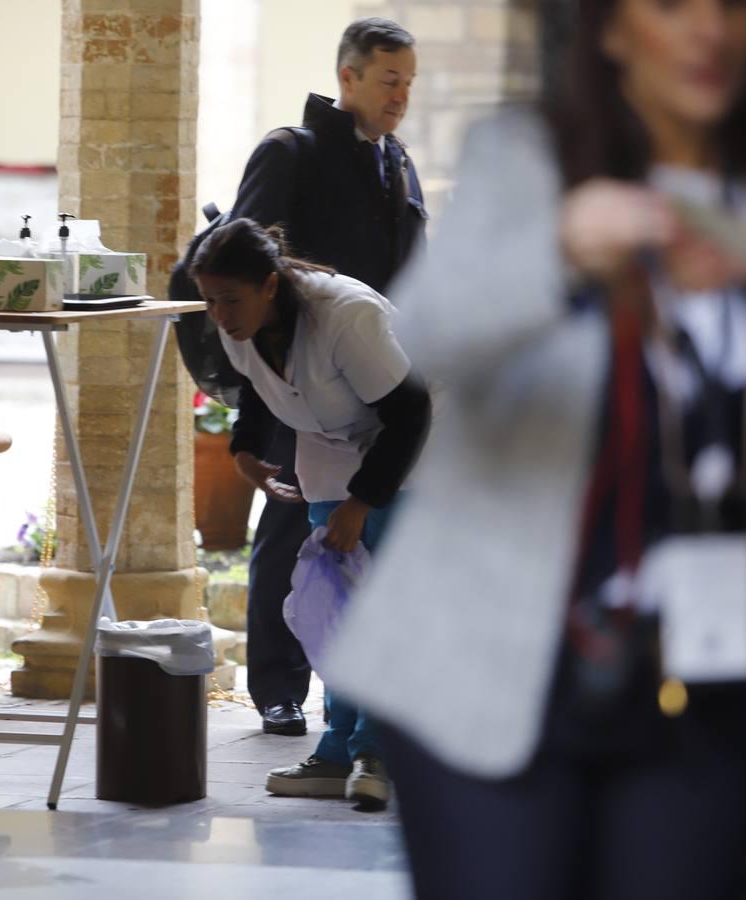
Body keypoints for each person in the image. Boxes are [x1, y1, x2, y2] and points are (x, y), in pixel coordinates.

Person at [322, 0, 746, 897]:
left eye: (735, 7)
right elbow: (433, 335)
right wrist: (558, 250)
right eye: (673, 6)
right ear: (612, 28)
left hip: (705, 672)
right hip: (491, 669)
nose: (711, 29)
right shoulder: (528, 162)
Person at [224, 16, 428, 737]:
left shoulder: (397, 163)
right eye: (388, 79)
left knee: (369, 539)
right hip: (298, 373)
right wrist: (247, 406)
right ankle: (278, 689)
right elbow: (241, 268)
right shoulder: (291, 153)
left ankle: (361, 718)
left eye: (407, 80)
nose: (401, 94)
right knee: (288, 530)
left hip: (378, 380)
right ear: (348, 78)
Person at [190, 218, 431, 810]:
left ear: (270, 285)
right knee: (335, 608)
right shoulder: (237, 321)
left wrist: (361, 503)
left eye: (230, 299)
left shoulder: (346, 315)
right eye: (210, 301)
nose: (219, 314)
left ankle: (377, 750)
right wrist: (245, 451)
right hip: (328, 453)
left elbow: (410, 412)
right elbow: (257, 388)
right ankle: (338, 749)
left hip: (408, 455)